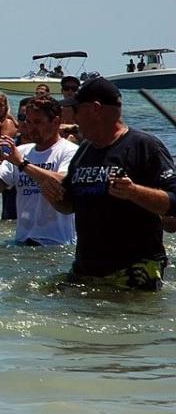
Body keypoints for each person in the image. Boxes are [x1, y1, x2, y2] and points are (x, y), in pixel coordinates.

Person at [42, 78, 176, 290]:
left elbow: (173, 203)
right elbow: (69, 205)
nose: (73, 117)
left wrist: (133, 192)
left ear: (95, 109)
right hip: (86, 268)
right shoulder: (85, 150)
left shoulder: (143, 146)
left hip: (134, 269)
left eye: (76, 109)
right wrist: (53, 196)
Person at [0, 96, 77, 245]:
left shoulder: (69, 151)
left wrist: (22, 164)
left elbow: (63, 182)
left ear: (56, 122)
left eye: (38, 122)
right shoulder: (21, 151)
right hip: (22, 241)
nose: (31, 128)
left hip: (57, 243)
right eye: (28, 122)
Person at [58, 75, 81, 142]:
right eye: (66, 88)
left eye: (74, 88)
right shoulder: (56, 107)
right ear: (62, 91)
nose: (70, 91)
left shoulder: (83, 108)